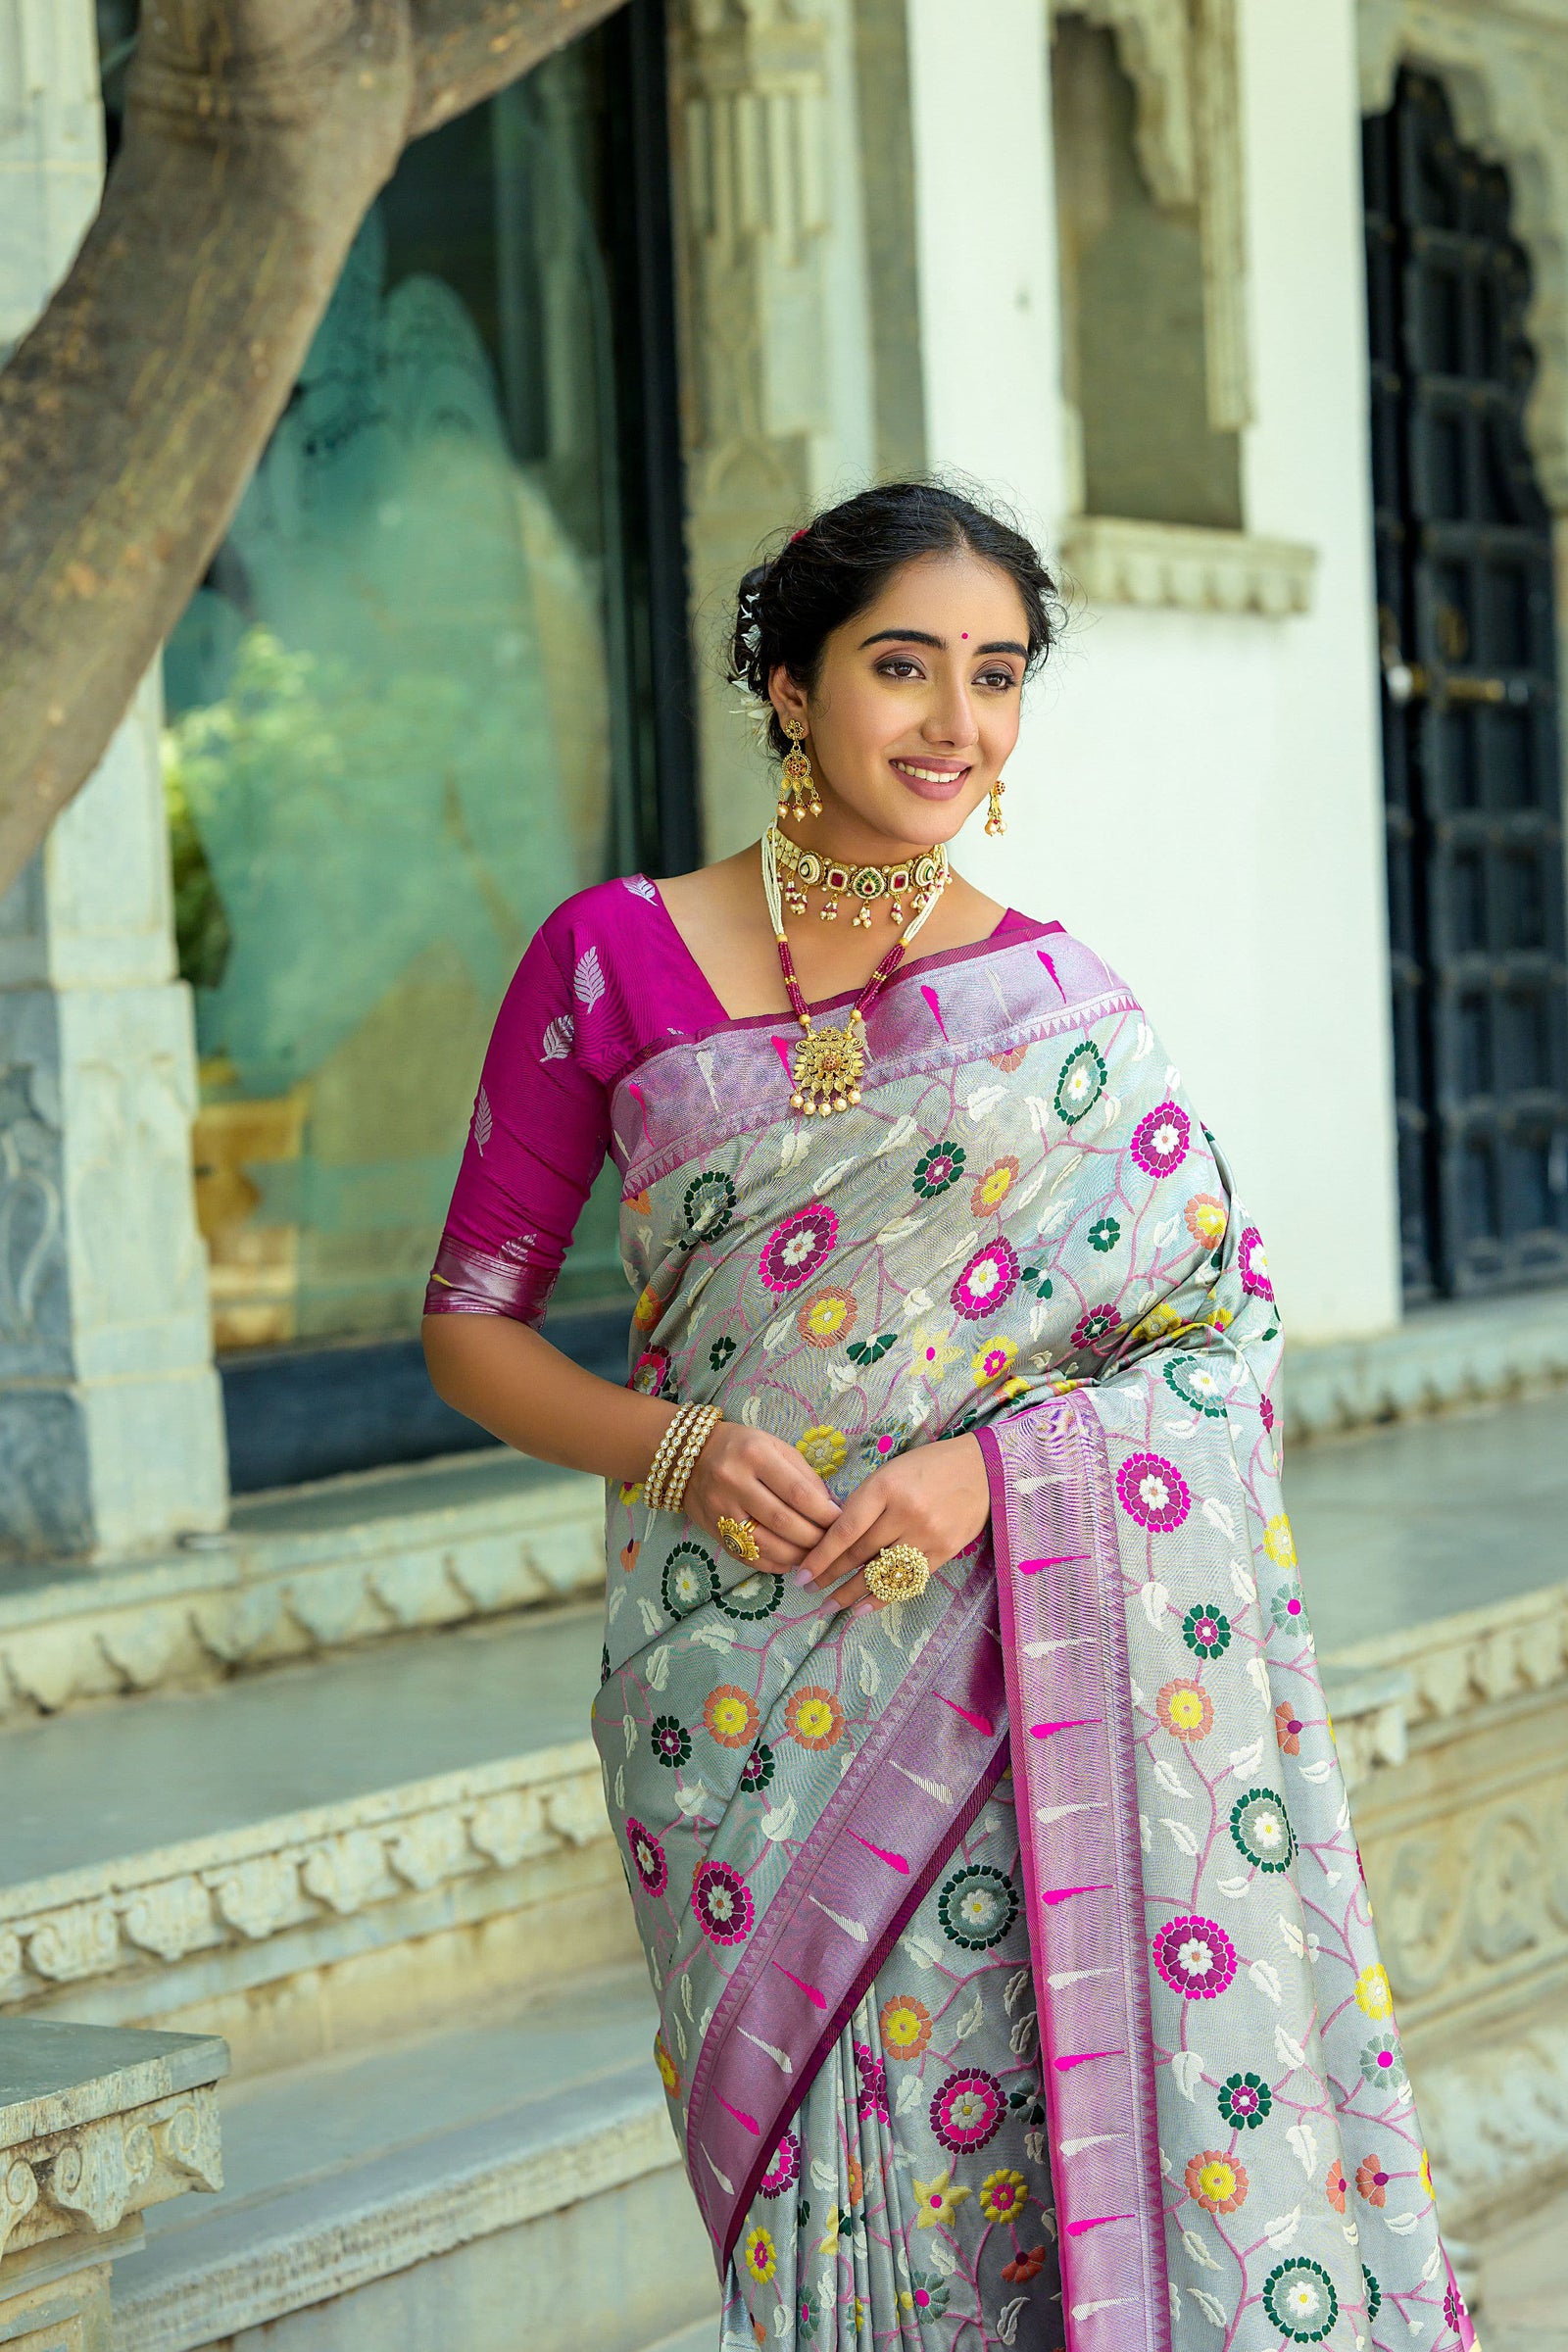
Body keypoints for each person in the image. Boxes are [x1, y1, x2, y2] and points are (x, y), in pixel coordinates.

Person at [422, 483, 1473, 2351]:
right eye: (903, 666)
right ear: (788, 681)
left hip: (1019, 1673)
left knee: (1022, 2179)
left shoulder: (1061, 1010)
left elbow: (1216, 1337)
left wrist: (990, 1476)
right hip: (738, 1699)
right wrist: (669, 1448)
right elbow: (470, 1327)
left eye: (996, 679)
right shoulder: (613, 958)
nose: (954, 725)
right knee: (834, 2184)